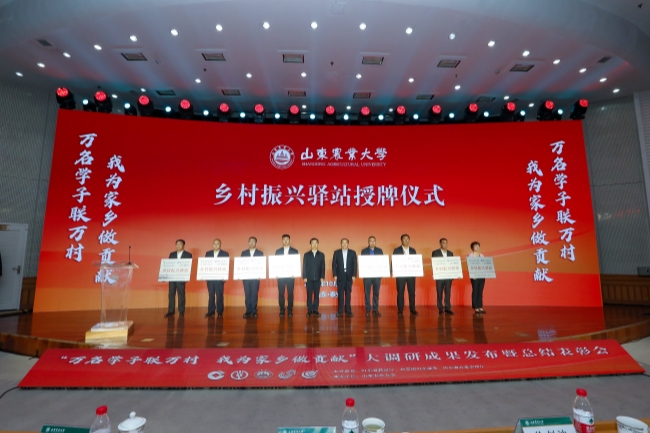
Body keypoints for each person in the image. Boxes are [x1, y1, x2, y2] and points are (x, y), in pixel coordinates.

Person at [165, 239, 192, 318]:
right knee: (171, 294)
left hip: (181, 278)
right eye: (177, 244)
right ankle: (171, 311)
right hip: (172, 278)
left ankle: (181, 311)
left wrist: (186, 277)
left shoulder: (188, 255)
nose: (178, 246)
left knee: (181, 295)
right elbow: (169, 265)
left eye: (180, 244)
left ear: (183, 245)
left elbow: (188, 267)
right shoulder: (172, 254)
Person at [393, 234, 418, 316]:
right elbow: (394, 261)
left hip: (411, 275)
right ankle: (400, 309)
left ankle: (412, 309)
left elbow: (416, 262)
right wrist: (393, 271)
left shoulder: (413, 250)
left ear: (409, 240)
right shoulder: (396, 250)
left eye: (407, 239)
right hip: (400, 275)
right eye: (404, 239)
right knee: (400, 292)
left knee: (412, 292)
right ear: (401, 240)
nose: (406, 240)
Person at [275, 234, 299, 318]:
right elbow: (275, 263)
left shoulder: (294, 251)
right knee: (281, 293)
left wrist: (295, 273)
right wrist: (276, 273)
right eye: (284, 239)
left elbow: (296, 263)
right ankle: (282, 309)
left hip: (290, 276)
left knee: (290, 293)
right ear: (282, 241)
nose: (285, 241)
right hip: (281, 276)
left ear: (290, 241)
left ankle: (290, 310)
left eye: (287, 239)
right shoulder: (278, 251)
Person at [204, 238, 229, 318]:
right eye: (214, 244)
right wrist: (204, 275)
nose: (216, 245)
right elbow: (205, 265)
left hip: (220, 279)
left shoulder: (225, 254)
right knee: (211, 295)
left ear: (220, 245)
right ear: (212, 245)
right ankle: (211, 311)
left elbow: (226, 266)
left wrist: (225, 276)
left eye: (217, 244)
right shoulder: (208, 253)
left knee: (219, 295)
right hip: (210, 278)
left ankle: (220, 311)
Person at [333, 238, 357, 317]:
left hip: (349, 276)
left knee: (348, 294)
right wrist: (335, 275)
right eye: (342, 243)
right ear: (341, 244)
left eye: (345, 243)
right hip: (340, 276)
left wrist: (354, 275)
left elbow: (355, 265)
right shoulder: (336, 253)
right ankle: (340, 311)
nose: (344, 244)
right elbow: (334, 265)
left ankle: (348, 311)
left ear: (348, 244)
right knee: (340, 294)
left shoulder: (352, 253)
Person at [241, 237, 264, 319]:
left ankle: (254, 311)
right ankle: (248, 311)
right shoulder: (244, 253)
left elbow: (262, 265)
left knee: (254, 294)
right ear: (248, 242)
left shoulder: (260, 253)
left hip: (255, 277)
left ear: (255, 243)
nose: (251, 243)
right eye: (250, 241)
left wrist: (260, 274)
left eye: (253, 241)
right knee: (247, 294)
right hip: (246, 277)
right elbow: (241, 265)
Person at [361, 236, 383, 317]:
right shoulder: (364, 251)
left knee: (376, 293)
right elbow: (362, 263)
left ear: (375, 242)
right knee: (367, 293)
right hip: (367, 276)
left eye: (374, 241)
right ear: (368, 242)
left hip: (377, 275)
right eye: (370, 241)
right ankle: (367, 309)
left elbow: (382, 262)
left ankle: (375, 309)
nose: (372, 242)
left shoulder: (379, 251)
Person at [302, 238, 325, 317]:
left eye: (316, 243)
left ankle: (315, 309)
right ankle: (309, 310)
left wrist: (322, 277)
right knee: (309, 295)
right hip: (309, 278)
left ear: (318, 244)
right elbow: (304, 266)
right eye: (313, 243)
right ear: (310, 244)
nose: (314, 245)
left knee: (316, 295)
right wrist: (304, 276)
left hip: (318, 278)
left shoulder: (321, 255)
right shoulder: (306, 255)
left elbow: (322, 267)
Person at [432, 238, 454, 315]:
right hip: (439, 276)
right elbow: (434, 264)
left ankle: (447, 308)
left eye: (446, 243)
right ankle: (440, 308)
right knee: (439, 292)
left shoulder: (450, 253)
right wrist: (435, 273)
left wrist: (454, 274)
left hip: (448, 276)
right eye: (443, 243)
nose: (445, 244)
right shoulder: (435, 252)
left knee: (448, 292)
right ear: (440, 244)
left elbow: (453, 264)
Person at [467, 241, 486, 314]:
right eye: (476, 246)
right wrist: (472, 275)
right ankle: (475, 307)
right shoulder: (470, 255)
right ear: (472, 248)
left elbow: (485, 265)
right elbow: (469, 266)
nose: (477, 247)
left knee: (480, 291)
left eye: (478, 246)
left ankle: (480, 306)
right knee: (475, 290)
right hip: (474, 276)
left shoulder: (482, 255)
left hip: (482, 275)